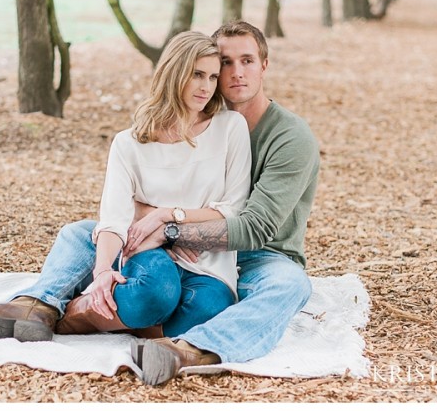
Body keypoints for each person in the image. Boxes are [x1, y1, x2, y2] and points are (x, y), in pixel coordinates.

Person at [0, 31, 251, 342]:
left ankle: (64, 315)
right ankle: (36, 306)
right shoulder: (129, 143)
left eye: (213, 77)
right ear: (173, 73)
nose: (206, 86)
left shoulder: (230, 128)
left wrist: (167, 217)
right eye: (197, 74)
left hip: (207, 265)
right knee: (156, 292)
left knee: (207, 310)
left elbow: (232, 210)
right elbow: (115, 218)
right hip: (147, 251)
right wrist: (103, 271)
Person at [123, 20, 320, 385]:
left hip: (259, 257)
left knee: (292, 286)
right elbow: (137, 193)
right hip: (187, 247)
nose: (236, 73)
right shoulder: (192, 120)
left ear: (264, 65)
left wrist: (168, 231)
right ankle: (38, 306)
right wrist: (148, 226)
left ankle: (190, 350)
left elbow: (255, 228)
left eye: (247, 60)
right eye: (225, 63)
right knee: (82, 233)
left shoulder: (290, 137)